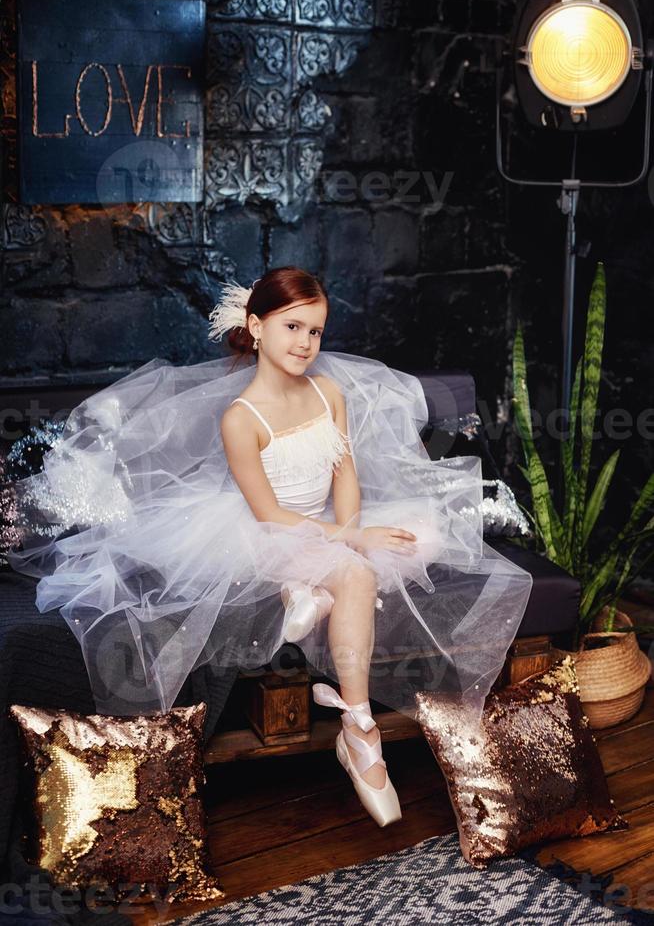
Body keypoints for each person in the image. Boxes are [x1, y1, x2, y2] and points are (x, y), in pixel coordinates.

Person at [6, 266, 533, 829]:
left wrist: (352, 530)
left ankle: (306, 591)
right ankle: (360, 731)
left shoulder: (328, 392)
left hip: (328, 521)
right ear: (256, 326)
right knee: (355, 575)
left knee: (416, 534)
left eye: (317, 331)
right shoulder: (240, 418)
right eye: (293, 327)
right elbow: (269, 514)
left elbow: (345, 476)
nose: (306, 343)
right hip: (262, 529)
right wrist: (353, 545)